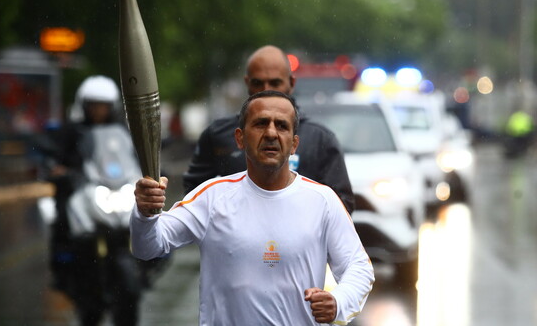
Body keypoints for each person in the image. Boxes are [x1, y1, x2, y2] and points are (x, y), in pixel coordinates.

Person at [131, 91, 374, 325]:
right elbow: (148, 247)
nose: (271, 133)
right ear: (240, 138)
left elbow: (359, 268)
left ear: (294, 143)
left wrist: (338, 301)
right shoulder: (212, 197)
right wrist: (145, 214)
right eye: (260, 124)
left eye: (281, 126)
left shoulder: (323, 200)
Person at [40, 75, 167, 326]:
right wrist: (58, 170)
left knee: (155, 219)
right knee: (60, 214)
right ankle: (63, 266)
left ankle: (151, 262)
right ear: (83, 105)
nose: (98, 110)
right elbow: (52, 155)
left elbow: (135, 155)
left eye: (103, 105)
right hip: (84, 194)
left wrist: (152, 167)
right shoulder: (72, 131)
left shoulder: (123, 130)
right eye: (93, 105)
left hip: (117, 190)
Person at [183, 45, 355, 213]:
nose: (266, 91)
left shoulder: (320, 139)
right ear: (240, 138)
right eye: (258, 83)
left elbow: (341, 206)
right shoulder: (217, 134)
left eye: (275, 82)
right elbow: (193, 198)